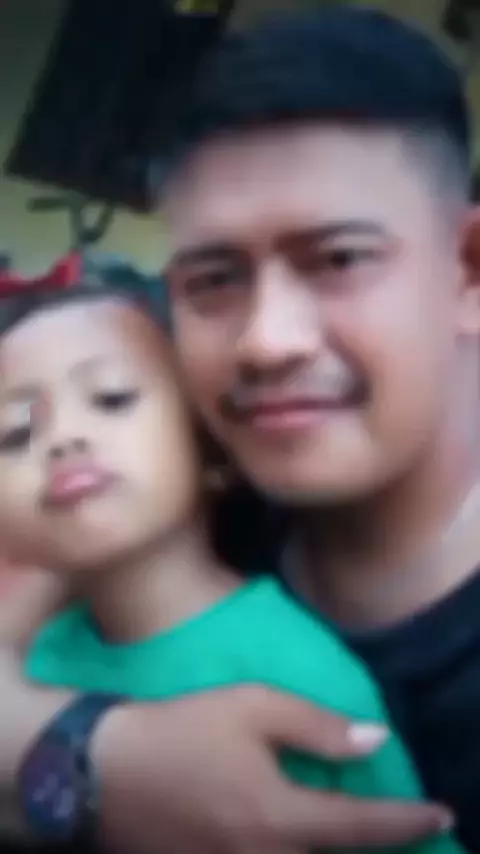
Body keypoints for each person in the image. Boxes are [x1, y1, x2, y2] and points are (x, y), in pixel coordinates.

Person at [1, 6, 480, 853]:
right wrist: (91, 760)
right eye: (214, 279)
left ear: (468, 271)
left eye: (339, 259)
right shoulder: (186, 486)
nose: (266, 341)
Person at [0, 273, 458, 853]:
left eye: (112, 399)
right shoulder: (40, 657)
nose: (62, 440)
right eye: (16, 435)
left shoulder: (290, 667)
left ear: (210, 450)